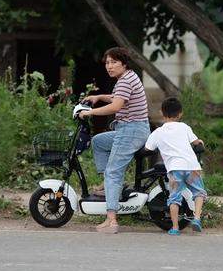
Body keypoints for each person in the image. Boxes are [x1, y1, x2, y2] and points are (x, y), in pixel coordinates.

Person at [79, 47, 150, 234]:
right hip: (132, 129)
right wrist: (98, 97)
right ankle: (108, 186)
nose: (109, 67)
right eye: (107, 63)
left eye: (113, 62)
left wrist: (90, 112)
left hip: (131, 131)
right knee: (99, 141)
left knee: (113, 172)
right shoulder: (127, 78)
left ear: (124, 63)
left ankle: (111, 220)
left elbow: (116, 105)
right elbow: (117, 97)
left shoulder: (125, 81)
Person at [144, 97, 207, 235]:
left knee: (174, 198)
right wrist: (199, 141)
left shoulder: (158, 132)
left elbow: (148, 148)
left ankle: (175, 228)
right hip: (192, 167)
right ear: (180, 114)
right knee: (199, 193)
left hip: (175, 169)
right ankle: (196, 218)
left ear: (162, 112)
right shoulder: (185, 127)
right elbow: (196, 142)